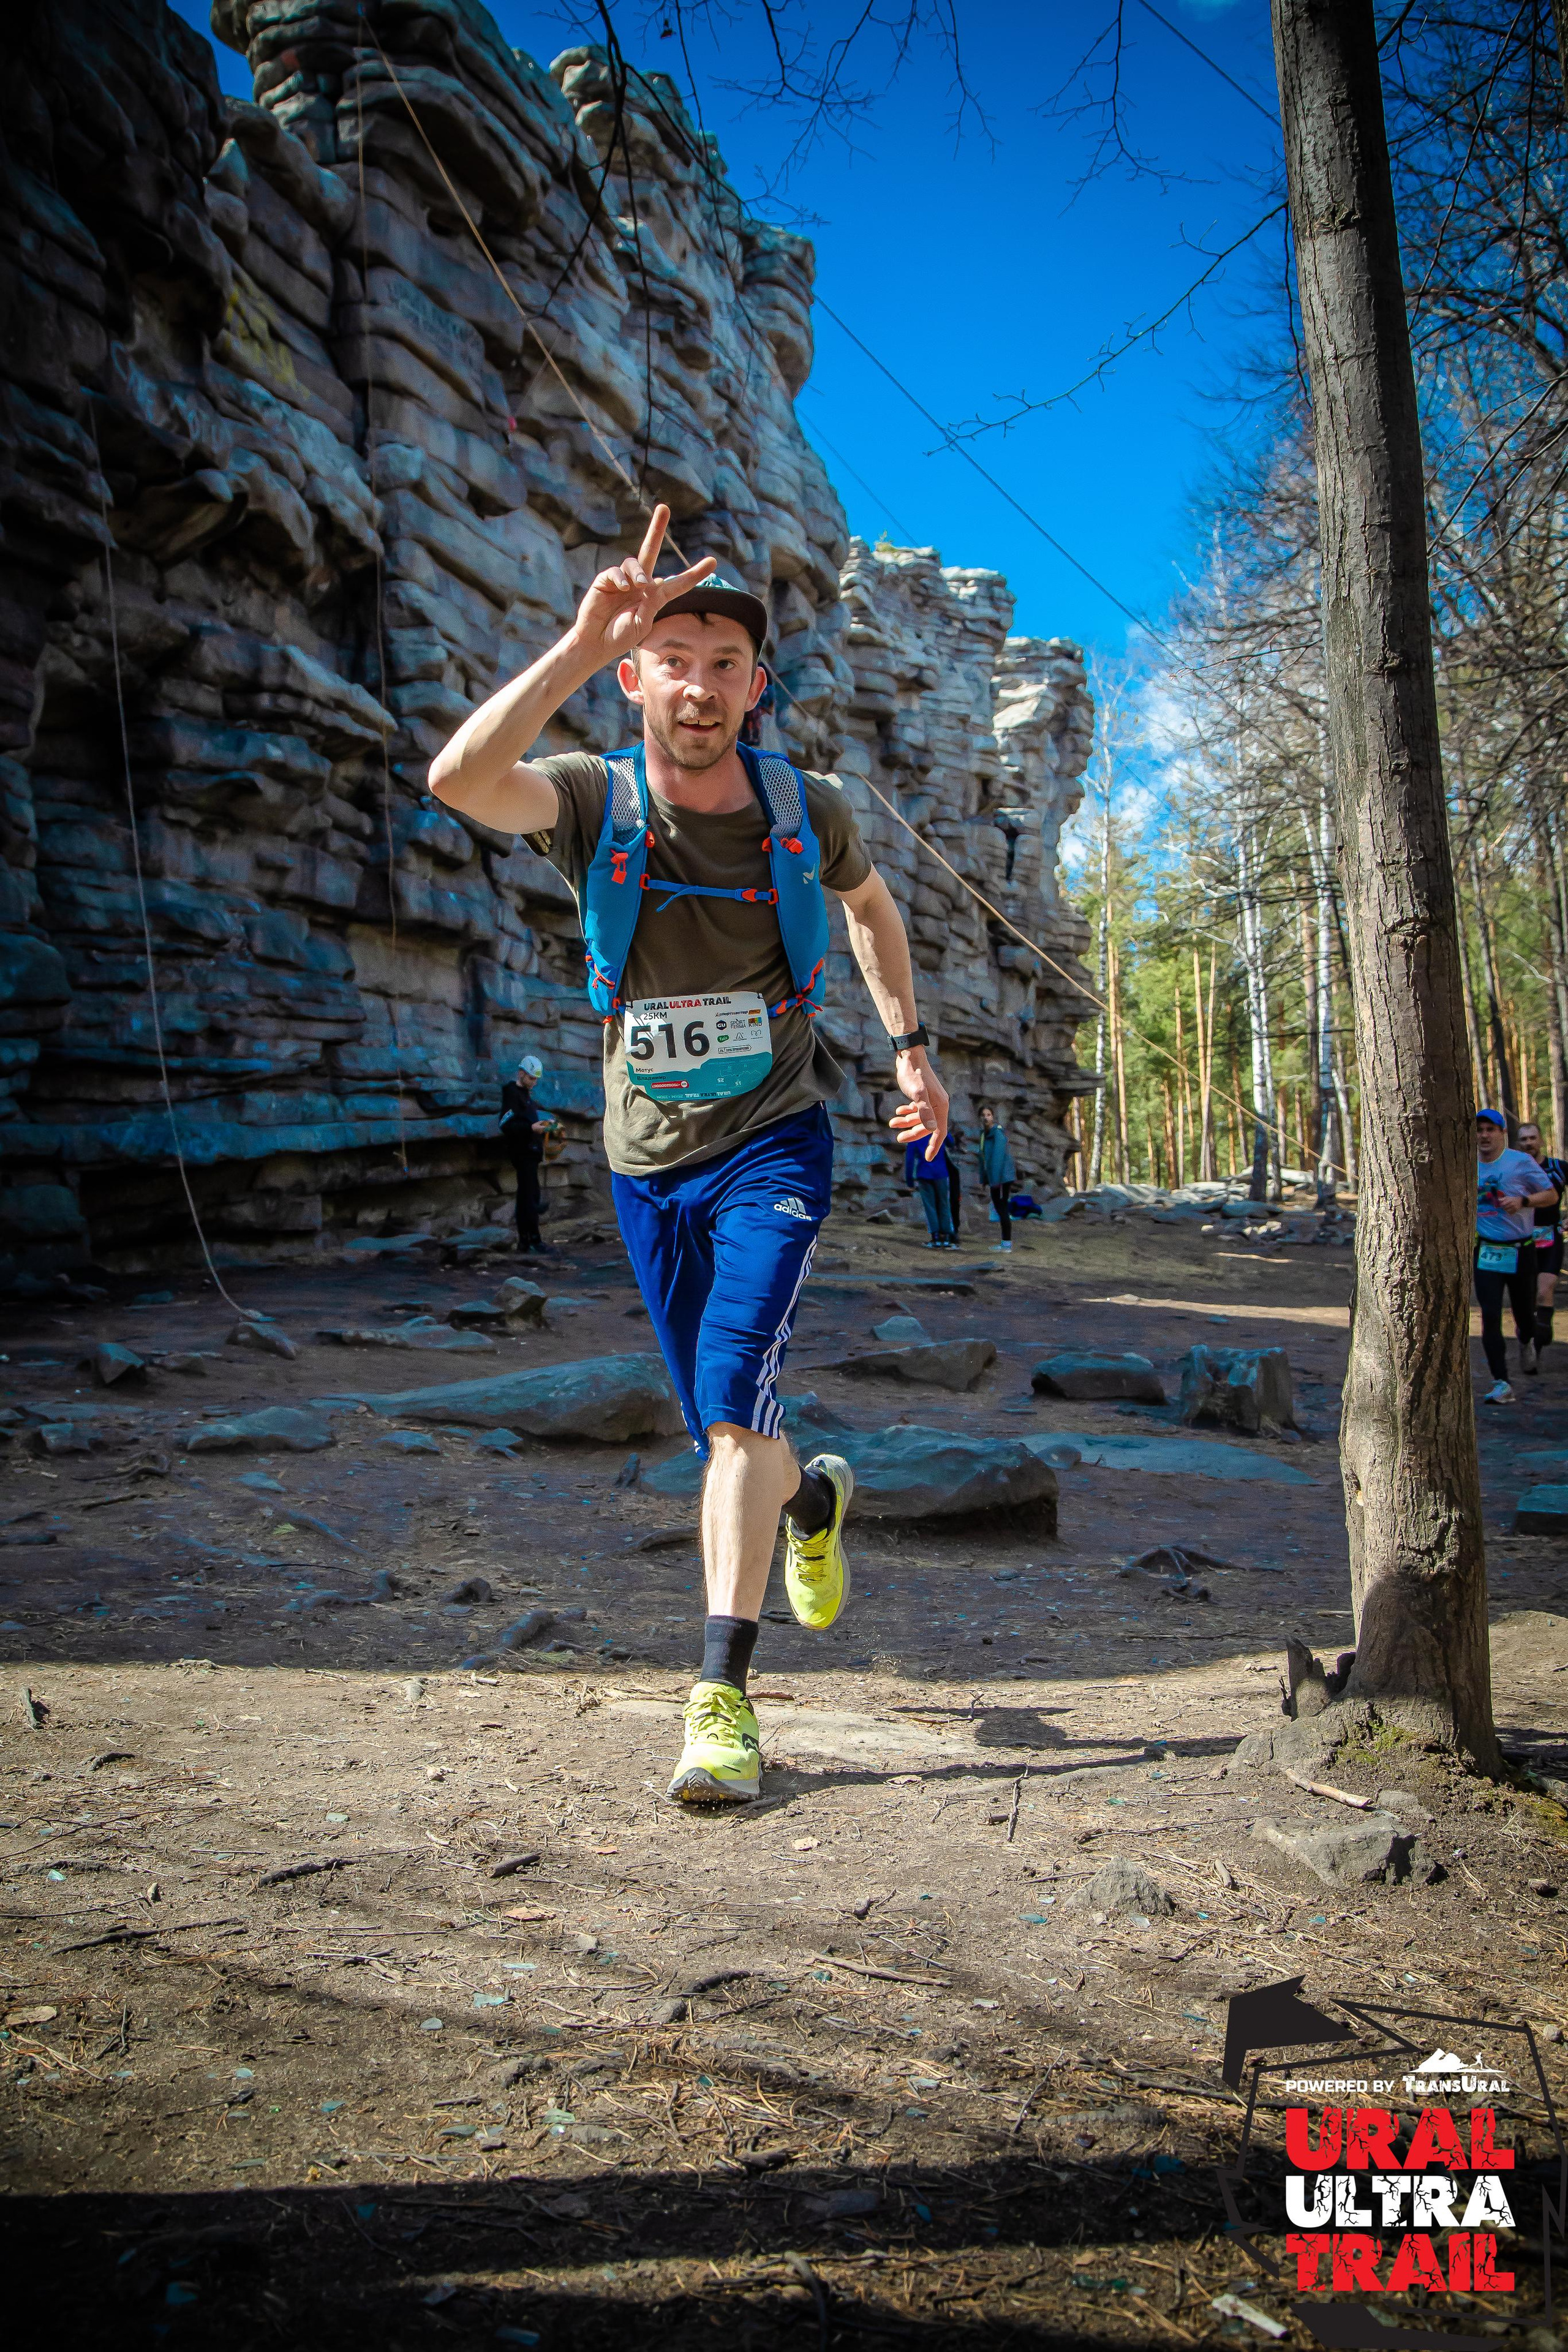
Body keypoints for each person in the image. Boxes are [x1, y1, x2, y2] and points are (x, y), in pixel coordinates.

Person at [428, 505, 948, 1806]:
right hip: (643, 1159)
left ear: (753, 685)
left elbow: (872, 909)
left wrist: (910, 1049)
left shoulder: (801, 808)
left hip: (773, 1140)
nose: (701, 684)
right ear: (637, 676)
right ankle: (814, 1506)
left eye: (726, 664)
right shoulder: (592, 800)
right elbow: (456, 781)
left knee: (725, 1407)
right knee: (740, 1427)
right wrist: (579, 633)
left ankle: (720, 1698)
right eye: (674, 658)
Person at [1475, 1108, 1556, 1401]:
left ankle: (1528, 1339)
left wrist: (1523, 1201)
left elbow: (1551, 1195)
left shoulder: (1519, 1162)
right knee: (1491, 1315)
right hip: (1486, 1250)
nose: (1484, 1136)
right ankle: (1501, 1383)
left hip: (1522, 1251)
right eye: (1480, 1130)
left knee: (1524, 1315)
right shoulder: (1467, 1164)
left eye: (1490, 1130)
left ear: (1502, 1133)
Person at [1515, 1120, 1567, 1354]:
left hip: (1551, 1238)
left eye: (1532, 1138)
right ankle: (1529, 1329)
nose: (1529, 1143)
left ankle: (1543, 1329)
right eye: (1524, 1139)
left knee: (1544, 1290)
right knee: (1527, 1294)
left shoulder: (1558, 1167)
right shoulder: (1512, 1170)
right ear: (1519, 1142)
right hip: (1520, 1241)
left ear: (1541, 1140)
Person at [499, 1054, 549, 1253]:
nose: (534, 1083)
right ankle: (530, 1241)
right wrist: (531, 1128)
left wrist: (543, 1127)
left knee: (531, 1196)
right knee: (528, 1198)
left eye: (536, 1079)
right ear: (521, 1074)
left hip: (532, 1152)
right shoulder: (512, 1094)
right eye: (531, 1078)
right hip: (523, 1153)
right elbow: (506, 1124)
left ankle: (529, 1241)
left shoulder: (526, 1095)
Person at [904, 1130, 955, 1246]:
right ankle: (946, 1235)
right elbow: (951, 1143)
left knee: (930, 1205)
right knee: (944, 1203)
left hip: (924, 1173)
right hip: (941, 1172)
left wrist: (910, 1181)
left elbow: (910, 1159)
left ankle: (936, 1236)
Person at [978, 1104, 1016, 1252]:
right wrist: (984, 1179)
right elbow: (983, 1158)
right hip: (995, 1178)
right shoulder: (984, 1135)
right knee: (1000, 1208)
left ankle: (1006, 1244)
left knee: (1002, 1208)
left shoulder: (998, 1135)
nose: (986, 1118)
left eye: (988, 1115)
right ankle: (1005, 1243)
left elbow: (997, 1160)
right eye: (983, 1115)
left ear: (993, 1117)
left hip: (1002, 1178)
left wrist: (995, 1182)